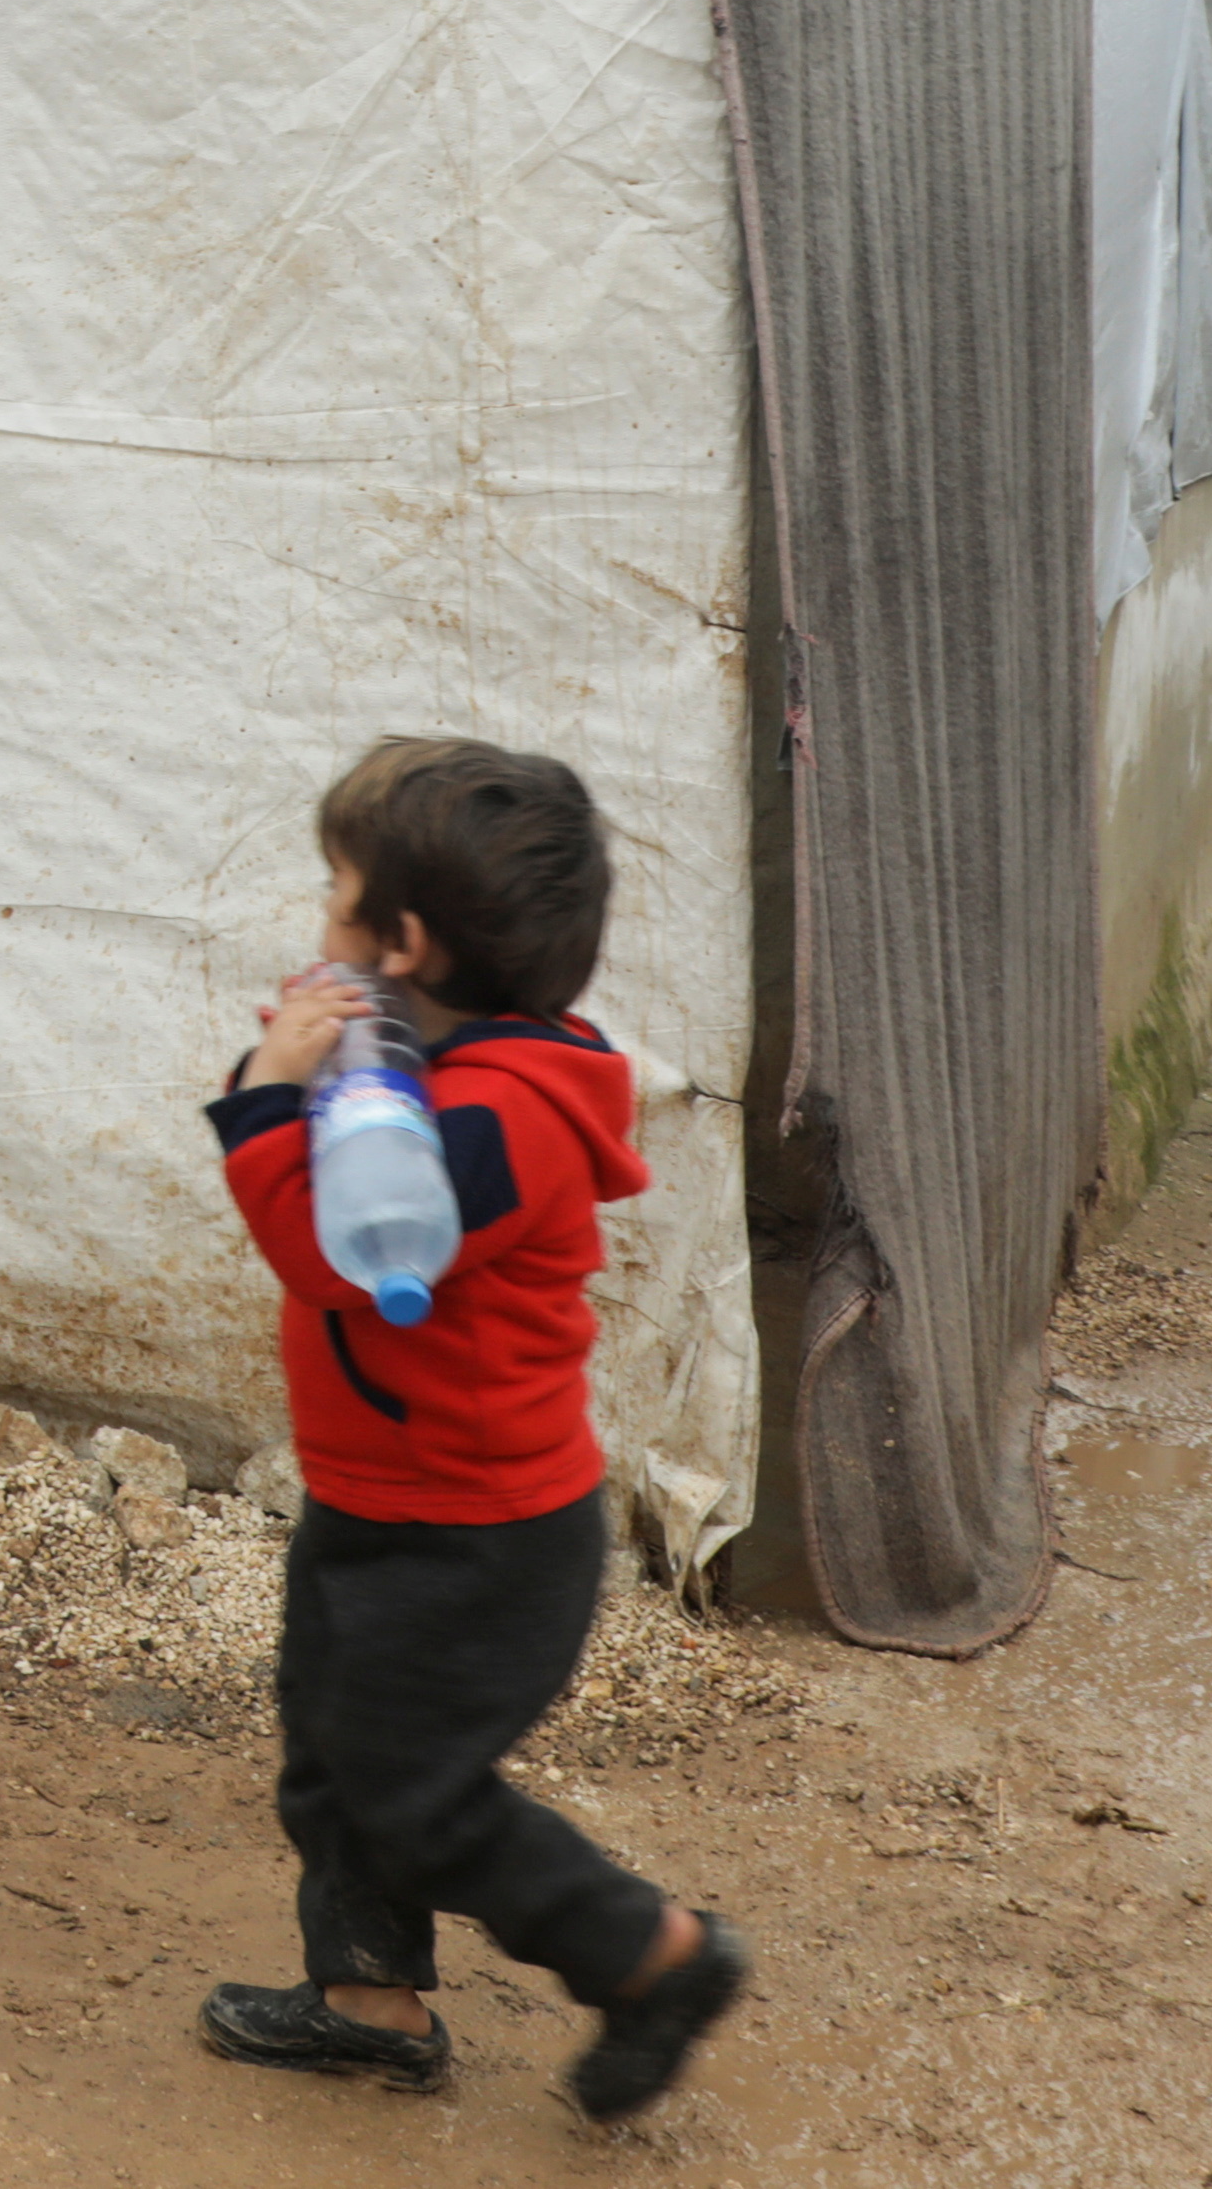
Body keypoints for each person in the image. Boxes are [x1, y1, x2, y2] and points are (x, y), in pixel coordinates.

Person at [194, 736, 750, 2121]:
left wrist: (268, 1095)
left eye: (339, 907)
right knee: (333, 1743)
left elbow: (336, 1255)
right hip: (385, 1495)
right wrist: (317, 1072)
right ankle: (367, 2001)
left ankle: (651, 1955)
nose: (319, 937)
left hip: (479, 1536)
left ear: (412, 943)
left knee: (415, 1793)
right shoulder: (440, 1058)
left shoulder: (510, 1116)